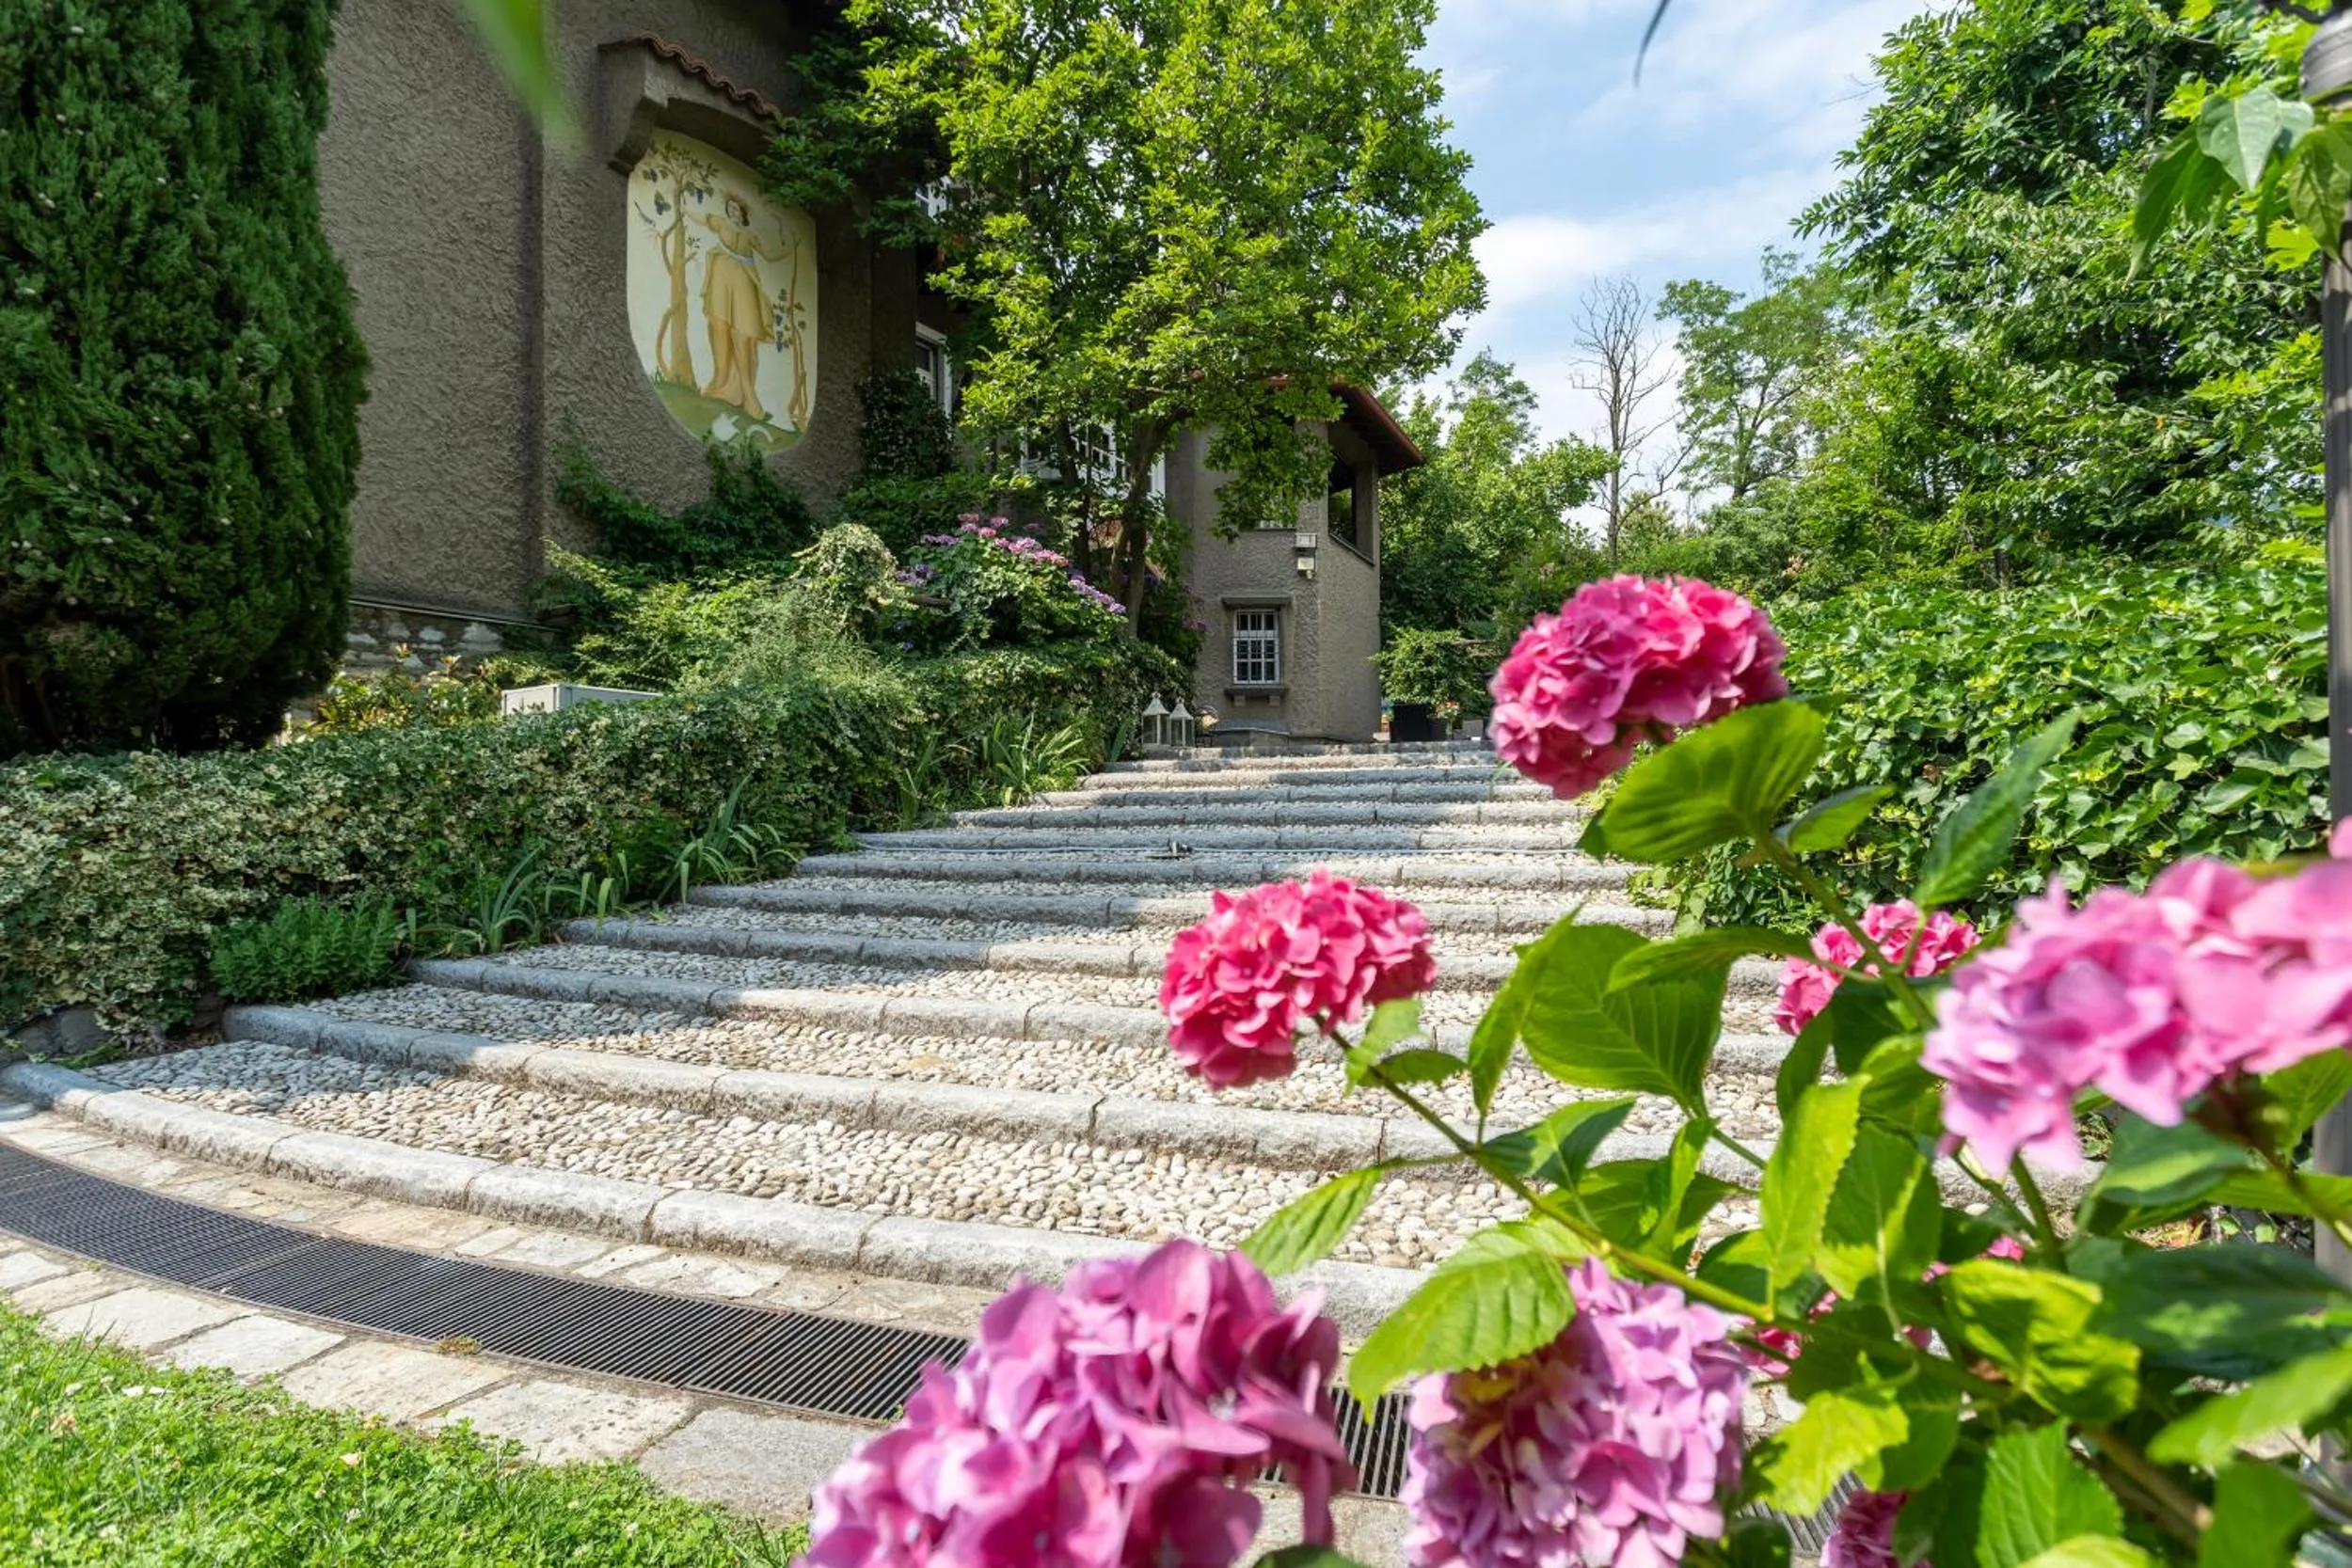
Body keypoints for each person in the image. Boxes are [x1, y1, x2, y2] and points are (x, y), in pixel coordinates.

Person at [697, 192, 788, 420]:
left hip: (745, 280)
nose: (732, 212)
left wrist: (787, 247)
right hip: (722, 276)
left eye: (736, 209)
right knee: (719, 327)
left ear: (743, 213)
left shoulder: (750, 235)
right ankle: (721, 383)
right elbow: (701, 218)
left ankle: (747, 394)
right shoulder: (721, 223)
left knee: (745, 337)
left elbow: (770, 255)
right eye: (729, 209)